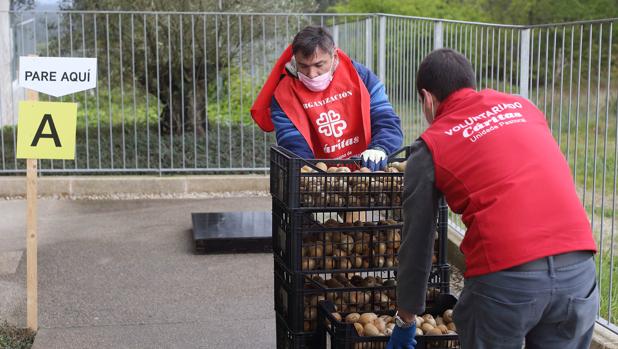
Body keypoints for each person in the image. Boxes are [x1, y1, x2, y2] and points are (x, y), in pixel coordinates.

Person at [387, 48, 598, 349]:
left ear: (427, 99)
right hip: (579, 270)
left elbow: (417, 241)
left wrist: (405, 319)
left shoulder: (432, 145)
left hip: (507, 280)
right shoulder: (524, 107)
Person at [250, 25, 403, 170]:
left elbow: (385, 118)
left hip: (366, 170)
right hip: (320, 179)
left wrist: (380, 148)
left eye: (319, 65)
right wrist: (310, 174)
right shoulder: (284, 95)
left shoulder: (361, 78)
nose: (311, 73)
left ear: (334, 56)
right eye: (303, 66)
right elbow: (292, 142)